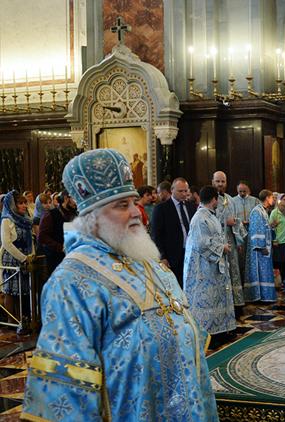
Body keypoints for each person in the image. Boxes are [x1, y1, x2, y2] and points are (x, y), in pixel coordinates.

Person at [22, 149, 217, 420]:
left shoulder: (145, 260)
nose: (137, 212)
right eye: (122, 205)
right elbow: (65, 394)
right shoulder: (71, 283)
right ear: (94, 217)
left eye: (134, 202)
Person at [183, 186, 236, 339]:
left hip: (213, 267)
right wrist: (222, 248)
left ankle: (220, 330)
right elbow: (202, 244)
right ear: (214, 199)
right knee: (206, 300)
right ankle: (208, 335)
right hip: (203, 269)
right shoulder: (200, 218)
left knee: (215, 299)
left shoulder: (210, 216)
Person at [150, 177, 196, 287]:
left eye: (186, 191)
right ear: (172, 190)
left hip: (190, 253)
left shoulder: (191, 207)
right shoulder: (161, 208)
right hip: (172, 256)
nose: (184, 194)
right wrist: (162, 256)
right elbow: (156, 235)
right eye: (181, 191)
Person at [212, 171, 246, 312]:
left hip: (231, 240)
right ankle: (224, 306)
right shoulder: (211, 200)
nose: (220, 184)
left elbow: (235, 220)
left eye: (223, 181)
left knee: (234, 272)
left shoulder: (230, 199)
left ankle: (236, 304)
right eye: (218, 181)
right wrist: (225, 221)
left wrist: (239, 242)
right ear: (213, 182)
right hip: (218, 243)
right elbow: (208, 219)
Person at [0, 191, 34, 323]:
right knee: (10, 291)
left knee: (22, 290)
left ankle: (21, 319)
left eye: (25, 202)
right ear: (13, 205)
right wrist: (22, 257)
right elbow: (6, 243)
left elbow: (30, 240)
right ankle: (11, 320)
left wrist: (30, 256)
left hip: (25, 257)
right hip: (12, 257)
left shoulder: (25, 219)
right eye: (21, 203)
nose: (25, 205)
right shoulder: (7, 219)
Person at [245, 189, 277, 302]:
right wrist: (261, 246)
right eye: (272, 197)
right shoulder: (257, 211)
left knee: (265, 272)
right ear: (267, 198)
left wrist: (271, 228)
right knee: (261, 272)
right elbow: (255, 230)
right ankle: (260, 296)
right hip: (259, 250)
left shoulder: (264, 211)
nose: (274, 200)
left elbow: (265, 228)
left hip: (265, 248)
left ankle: (265, 296)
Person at [38, 190, 77, 274]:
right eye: (74, 198)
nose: (75, 202)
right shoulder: (50, 214)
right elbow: (42, 237)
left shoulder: (74, 214)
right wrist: (60, 247)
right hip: (56, 258)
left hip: (72, 256)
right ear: (66, 199)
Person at [269, 193, 285, 284]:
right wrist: (274, 224)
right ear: (279, 201)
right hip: (279, 240)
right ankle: (282, 281)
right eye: (283, 200)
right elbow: (270, 227)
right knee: (281, 262)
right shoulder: (275, 212)